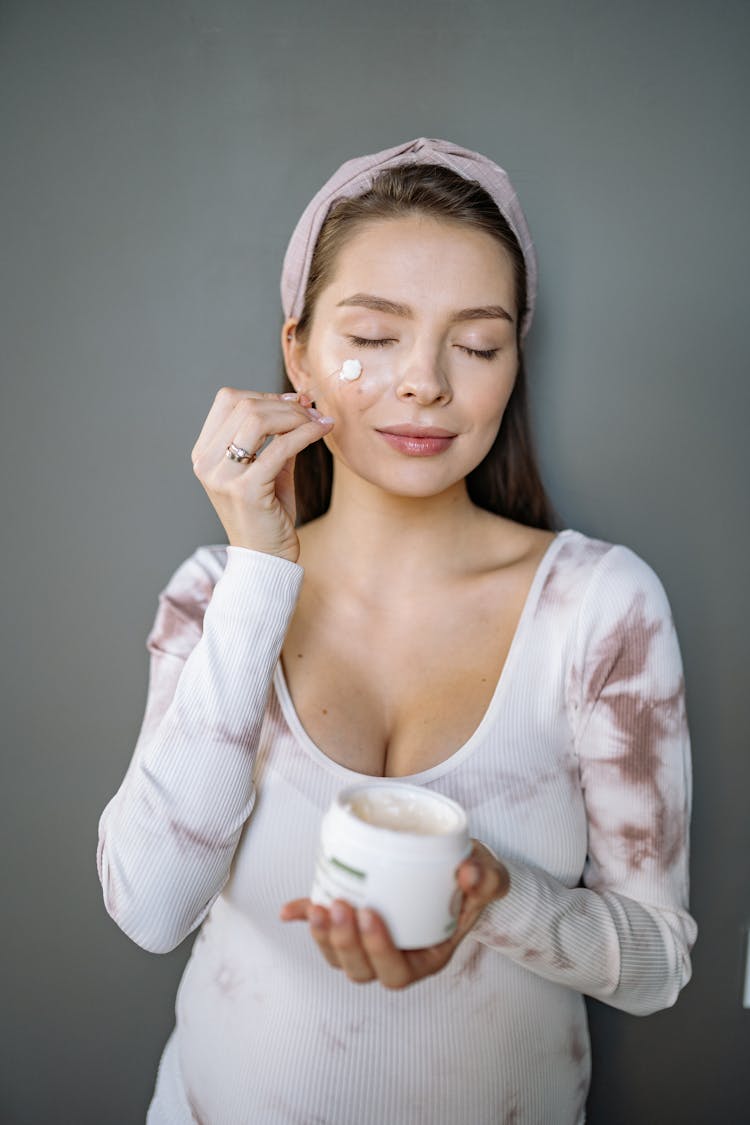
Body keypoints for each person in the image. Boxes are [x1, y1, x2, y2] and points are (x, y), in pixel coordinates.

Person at [97, 138, 697, 1124]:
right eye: (373, 336)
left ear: (512, 365)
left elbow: (659, 962)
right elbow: (151, 909)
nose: (424, 382)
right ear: (297, 352)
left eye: (476, 344)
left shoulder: (600, 606)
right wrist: (258, 567)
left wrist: (497, 898)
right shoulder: (214, 595)